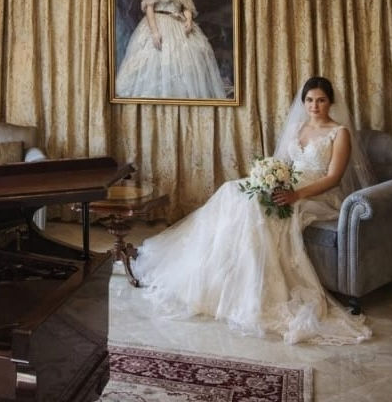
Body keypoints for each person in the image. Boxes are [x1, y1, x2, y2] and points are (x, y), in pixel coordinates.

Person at [133, 76, 373, 344]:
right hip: (287, 185)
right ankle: (218, 278)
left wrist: (296, 195)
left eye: (320, 100)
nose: (314, 106)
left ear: (331, 102)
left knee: (257, 208)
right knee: (233, 191)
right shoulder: (297, 127)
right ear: (303, 102)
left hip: (317, 193)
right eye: (309, 100)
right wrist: (268, 179)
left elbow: (333, 178)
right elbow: (281, 163)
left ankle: (255, 293)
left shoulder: (339, 133)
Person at [115, 0, 226, 100]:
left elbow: (186, 6)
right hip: (159, 22)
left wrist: (188, 19)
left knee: (187, 65)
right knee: (157, 63)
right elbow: (149, 8)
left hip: (179, 24)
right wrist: (154, 32)